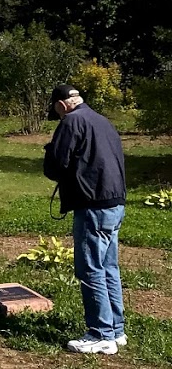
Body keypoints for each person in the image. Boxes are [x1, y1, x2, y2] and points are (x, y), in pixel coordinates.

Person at [43, 83, 127, 354]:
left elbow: (56, 165)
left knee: (90, 268)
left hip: (92, 205)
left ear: (61, 105)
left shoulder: (71, 121)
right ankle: (116, 330)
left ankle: (100, 334)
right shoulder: (102, 121)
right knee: (108, 267)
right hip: (114, 202)